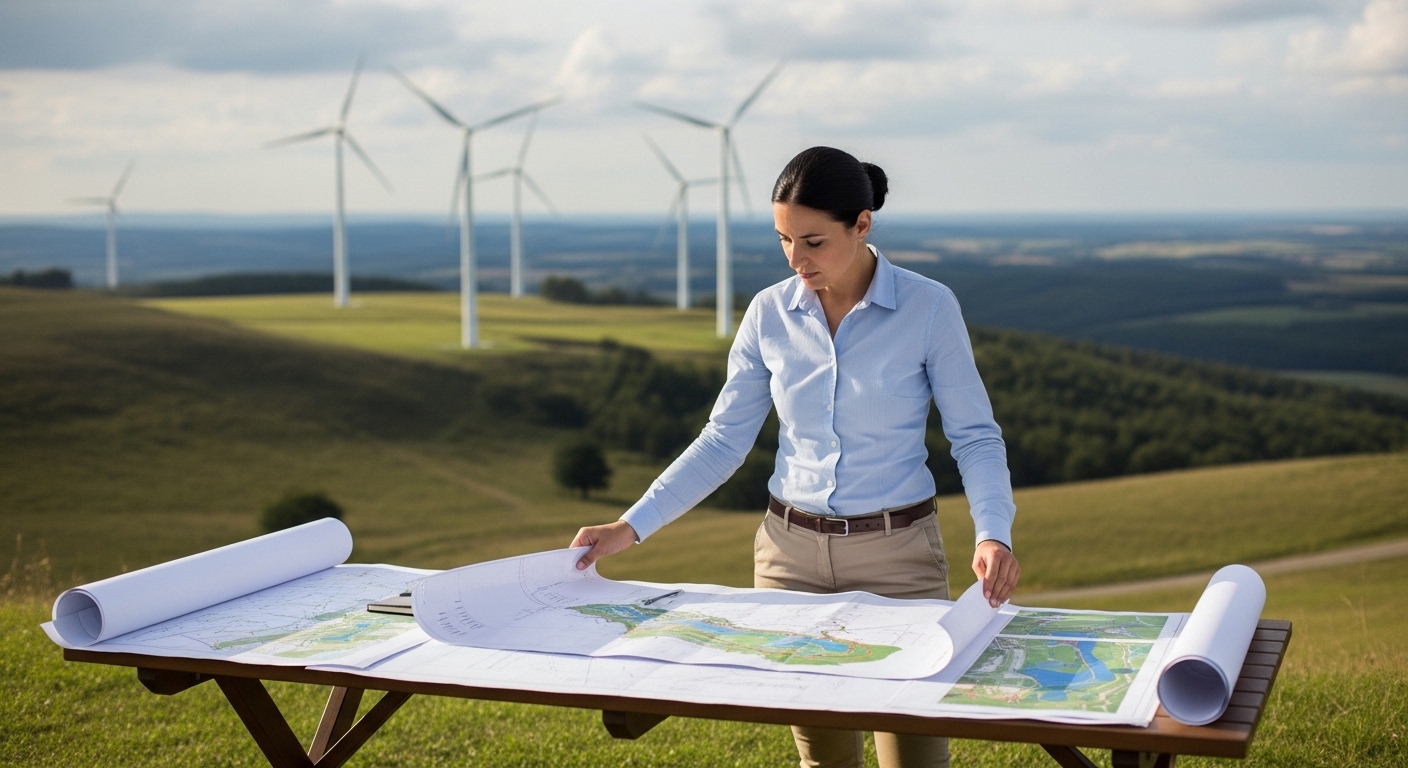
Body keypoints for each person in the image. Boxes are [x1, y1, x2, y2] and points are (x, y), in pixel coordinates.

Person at [571, 146, 1020, 768]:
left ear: (862, 224)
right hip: (788, 558)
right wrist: (630, 526)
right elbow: (723, 439)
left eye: (812, 240)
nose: (795, 259)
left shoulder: (929, 307)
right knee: (823, 761)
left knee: (914, 759)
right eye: (783, 239)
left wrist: (993, 533)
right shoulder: (767, 313)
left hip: (898, 557)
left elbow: (975, 436)